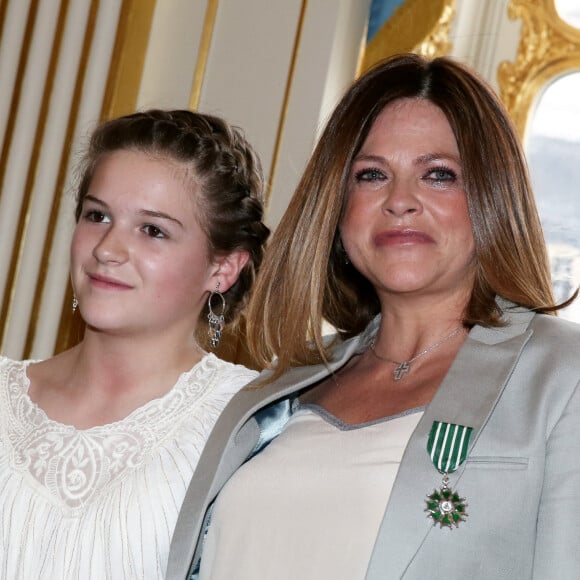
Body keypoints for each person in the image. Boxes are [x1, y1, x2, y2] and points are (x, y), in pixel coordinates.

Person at [165, 54, 580, 580]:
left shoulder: (563, 376)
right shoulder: (279, 390)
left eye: (438, 175)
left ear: (493, 198)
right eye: (371, 175)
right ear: (338, 209)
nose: (400, 200)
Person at [0, 109, 269, 578]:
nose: (106, 248)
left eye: (153, 230)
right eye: (97, 215)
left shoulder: (253, 422)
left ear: (222, 269)